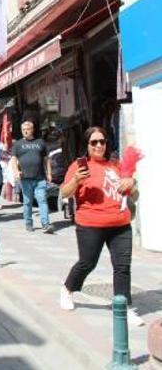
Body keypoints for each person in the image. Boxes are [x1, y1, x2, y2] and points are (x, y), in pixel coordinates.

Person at [58, 127, 143, 325]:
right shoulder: (78, 167)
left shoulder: (115, 165)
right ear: (87, 145)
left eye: (102, 141)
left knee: (122, 267)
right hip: (90, 224)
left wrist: (132, 183)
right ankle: (68, 289)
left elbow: (135, 196)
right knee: (87, 263)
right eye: (94, 142)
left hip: (120, 224)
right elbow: (65, 193)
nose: (98, 146)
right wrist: (77, 180)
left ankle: (123, 307)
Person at [10, 121, 53, 233]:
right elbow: (13, 159)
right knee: (28, 201)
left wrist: (49, 173)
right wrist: (16, 171)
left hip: (40, 177)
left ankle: (45, 224)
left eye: (27, 128)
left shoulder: (40, 142)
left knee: (42, 200)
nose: (25, 131)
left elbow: (46, 159)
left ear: (32, 129)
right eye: (23, 129)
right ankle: (29, 223)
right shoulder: (18, 144)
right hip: (25, 178)